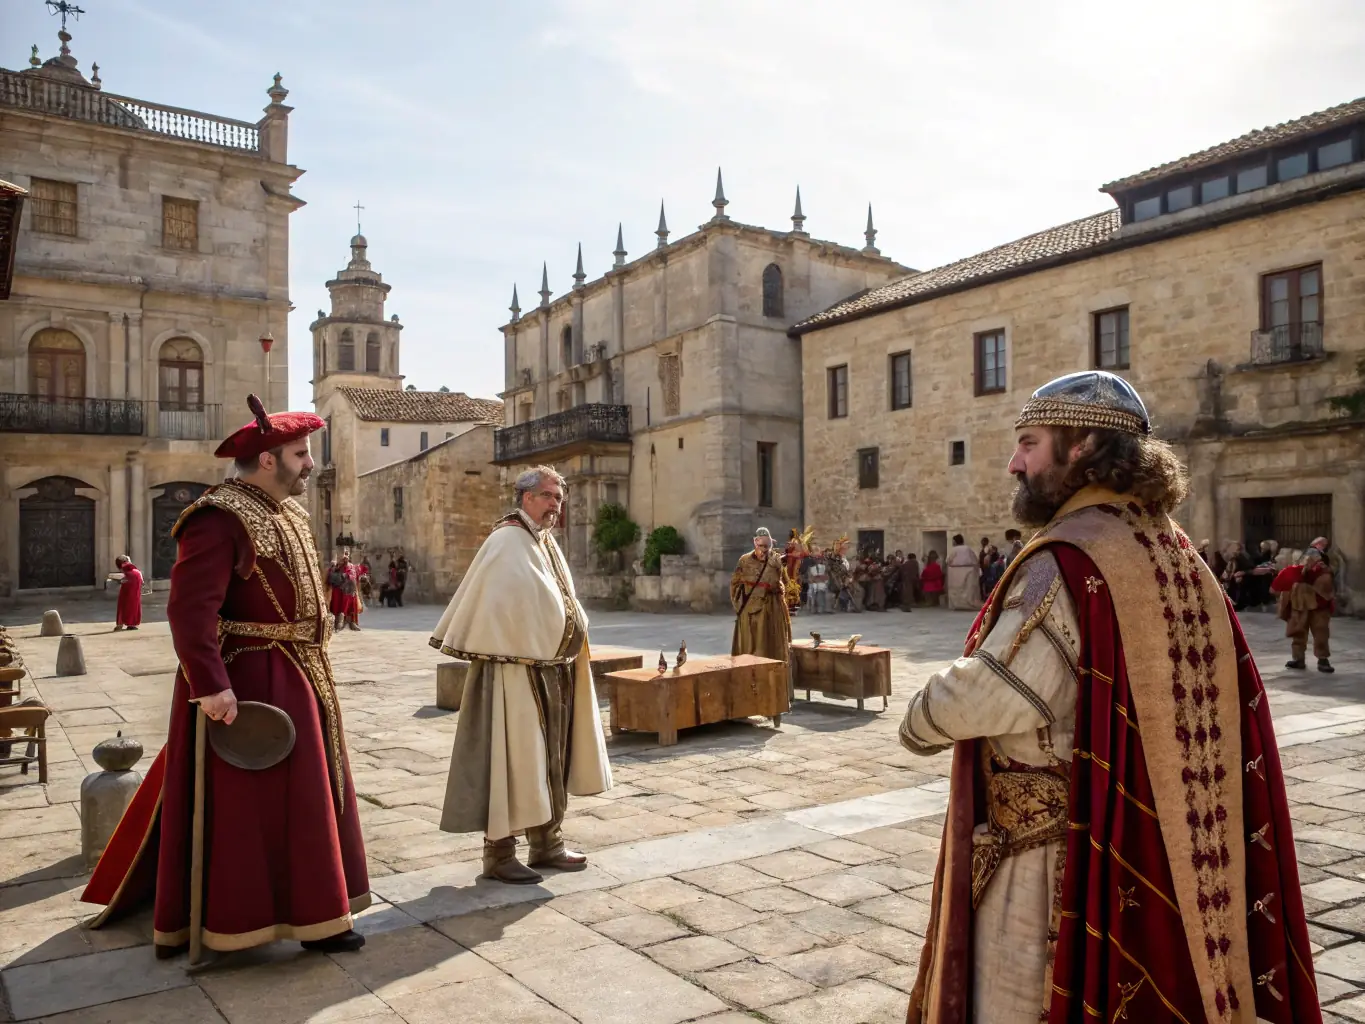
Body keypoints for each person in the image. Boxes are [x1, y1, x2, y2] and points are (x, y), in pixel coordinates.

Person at [900, 371, 1318, 1023]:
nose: (1014, 462)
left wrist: (918, 716)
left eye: (1030, 443)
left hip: (1054, 867)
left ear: (1083, 445)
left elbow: (983, 696)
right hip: (1165, 857)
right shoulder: (1178, 556)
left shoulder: (1067, 560)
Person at [81, 395, 369, 957]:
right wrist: (211, 685)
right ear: (267, 458)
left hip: (300, 676)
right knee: (253, 806)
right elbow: (190, 610)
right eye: (300, 453)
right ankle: (244, 920)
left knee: (308, 801)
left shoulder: (288, 511)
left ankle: (317, 912)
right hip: (248, 680)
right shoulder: (218, 517)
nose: (310, 463)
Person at [430, 465, 612, 884]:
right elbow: (504, 609)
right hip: (514, 675)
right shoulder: (507, 541)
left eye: (559, 498)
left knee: (550, 761)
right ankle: (499, 853)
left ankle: (548, 843)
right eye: (549, 496)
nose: (555, 505)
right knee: (512, 761)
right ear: (526, 496)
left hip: (552, 671)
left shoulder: (543, 541)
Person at [731, 527, 792, 663]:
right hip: (750, 611)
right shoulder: (744, 560)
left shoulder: (776, 560)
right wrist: (739, 607)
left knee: (772, 645)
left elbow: (784, 581)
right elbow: (734, 584)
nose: (765, 549)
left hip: (773, 608)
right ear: (755, 543)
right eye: (761, 546)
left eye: (768, 546)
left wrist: (780, 588)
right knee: (751, 646)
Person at [1272, 547, 1335, 673]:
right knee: (1301, 634)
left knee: (1319, 634)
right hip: (1302, 607)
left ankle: (1319, 659)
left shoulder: (1323, 572)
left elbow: (1274, 589)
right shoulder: (1292, 571)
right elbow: (1276, 588)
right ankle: (1303, 659)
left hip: (1316, 608)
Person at [945, 534, 980, 610]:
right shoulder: (968, 549)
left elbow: (948, 560)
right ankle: (969, 604)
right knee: (969, 588)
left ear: (955, 541)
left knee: (957, 589)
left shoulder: (954, 550)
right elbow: (975, 560)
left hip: (956, 572)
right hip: (969, 570)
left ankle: (958, 605)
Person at [112, 555, 143, 631]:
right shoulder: (135, 570)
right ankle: (131, 624)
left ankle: (120, 623)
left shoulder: (124, 567)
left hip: (129, 580)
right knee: (134, 603)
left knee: (123, 603)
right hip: (135, 579)